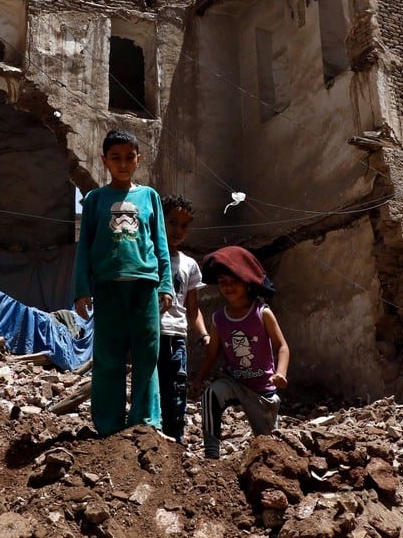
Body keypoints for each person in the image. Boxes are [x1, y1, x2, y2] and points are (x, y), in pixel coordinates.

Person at [74, 129, 174, 435]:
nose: (123, 163)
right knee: (108, 356)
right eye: (115, 158)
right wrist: (81, 290)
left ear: (138, 159)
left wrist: (166, 284)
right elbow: (84, 248)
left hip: (144, 284)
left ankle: (145, 422)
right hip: (108, 286)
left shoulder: (149, 197)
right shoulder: (94, 199)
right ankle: (108, 424)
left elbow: (160, 244)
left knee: (147, 354)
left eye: (129, 157)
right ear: (104, 161)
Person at [191, 246, 289, 460]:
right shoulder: (219, 319)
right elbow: (212, 353)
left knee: (270, 447)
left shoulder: (262, 313)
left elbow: (282, 346)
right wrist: (198, 380)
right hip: (234, 382)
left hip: (262, 389)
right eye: (223, 282)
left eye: (233, 282)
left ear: (247, 283)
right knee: (211, 394)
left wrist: (280, 373)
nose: (228, 287)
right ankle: (211, 454)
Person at [157, 195, 209, 444]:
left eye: (184, 225)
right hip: (151, 334)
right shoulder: (148, 258)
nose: (178, 230)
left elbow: (193, 309)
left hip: (177, 336)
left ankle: (174, 442)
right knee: (150, 388)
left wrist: (204, 335)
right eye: (173, 222)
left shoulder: (189, 264)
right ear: (160, 221)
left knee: (177, 389)